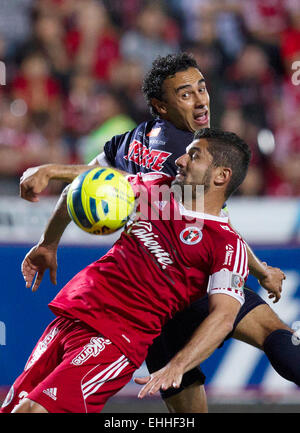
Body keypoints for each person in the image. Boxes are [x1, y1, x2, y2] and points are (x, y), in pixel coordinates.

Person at [19, 53, 294, 413]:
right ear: (161, 106)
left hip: (151, 288)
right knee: (272, 335)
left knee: (182, 378)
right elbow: (216, 226)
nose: (200, 100)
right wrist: (261, 271)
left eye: (201, 87)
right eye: (185, 94)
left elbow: (87, 182)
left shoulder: (133, 140)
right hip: (183, 279)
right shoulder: (187, 158)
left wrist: (49, 238)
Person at [2, 129, 250, 413]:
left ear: (221, 175)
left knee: (33, 411)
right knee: (14, 408)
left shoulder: (227, 244)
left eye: (194, 156)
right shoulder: (157, 186)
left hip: (115, 339)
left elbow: (224, 317)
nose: (180, 160)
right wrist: (48, 235)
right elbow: (94, 182)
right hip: (74, 314)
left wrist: (177, 366)